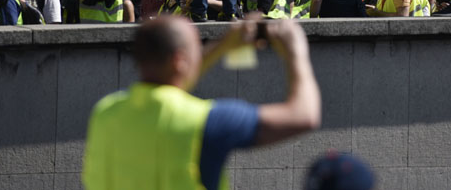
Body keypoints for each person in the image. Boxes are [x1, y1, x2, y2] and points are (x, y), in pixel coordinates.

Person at [82, 15, 321, 189]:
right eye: (198, 47)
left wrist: (224, 45)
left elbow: (172, 83)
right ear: (179, 60)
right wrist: (295, 50)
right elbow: (305, 115)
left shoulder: (106, 112)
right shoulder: (207, 121)